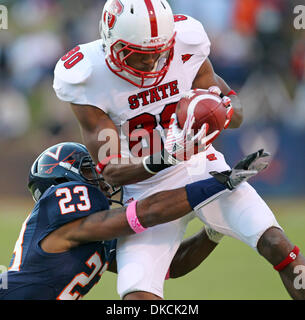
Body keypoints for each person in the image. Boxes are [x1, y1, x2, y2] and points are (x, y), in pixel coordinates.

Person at [53, 0, 305, 300]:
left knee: (277, 244)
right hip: (146, 188)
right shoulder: (88, 75)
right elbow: (113, 171)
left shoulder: (187, 42)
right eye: (139, 56)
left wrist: (221, 110)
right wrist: (166, 157)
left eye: (159, 52)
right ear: (112, 45)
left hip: (203, 166)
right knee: (137, 296)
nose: (151, 63)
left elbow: (235, 111)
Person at [0, 142, 265, 300]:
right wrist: (219, 183)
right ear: (63, 180)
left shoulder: (93, 237)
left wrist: (214, 230)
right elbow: (145, 213)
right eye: (87, 169)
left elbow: (171, 265)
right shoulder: (63, 203)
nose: (101, 177)